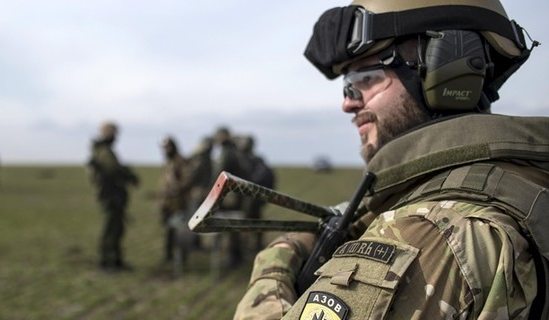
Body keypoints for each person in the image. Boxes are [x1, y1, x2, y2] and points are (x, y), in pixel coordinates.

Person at [234, 1, 548, 319]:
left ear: (449, 68)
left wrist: (273, 268)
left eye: (365, 78)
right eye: (347, 86)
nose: (347, 103)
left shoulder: (427, 235)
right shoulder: (523, 184)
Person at [87, 121, 139, 273]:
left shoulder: (105, 150)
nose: (116, 137)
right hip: (110, 196)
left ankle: (115, 261)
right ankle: (105, 263)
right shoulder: (103, 151)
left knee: (117, 229)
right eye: (114, 133)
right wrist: (128, 175)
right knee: (110, 230)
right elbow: (113, 170)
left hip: (114, 195)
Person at [212, 126, 250, 267]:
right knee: (233, 226)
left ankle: (234, 257)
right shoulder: (233, 152)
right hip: (234, 195)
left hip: (230, 197)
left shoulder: (227, 153)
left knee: (231, 226)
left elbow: (221, 175)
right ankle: (235, 256)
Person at [235, 134, 275, 252]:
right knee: (254, 223)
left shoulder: (248, 160)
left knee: (247, 223)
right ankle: (252, 246)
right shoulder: (256, 160)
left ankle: (248, 247)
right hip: (255, 197)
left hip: (250, 198)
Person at [155, 136, 190, 263]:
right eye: (163, 148)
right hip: (166, 202)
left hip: (177, 202)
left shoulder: (180, 161)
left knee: (179, 231)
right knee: (168, 229)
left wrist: (177, 188)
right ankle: (168, 255)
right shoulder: (168, 162)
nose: (165, 150)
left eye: (168, 147)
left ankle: (180, 257)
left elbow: (187, 179)